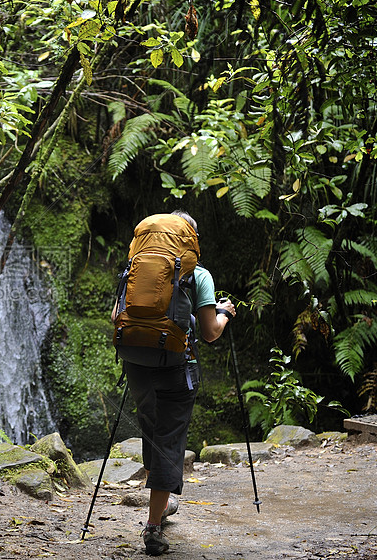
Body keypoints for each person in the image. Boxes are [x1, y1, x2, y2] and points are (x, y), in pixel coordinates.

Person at [110, 210, 236, 556]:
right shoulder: (200, 275)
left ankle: (160, 505)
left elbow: (115, 315)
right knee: (169, 440)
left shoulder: (134, 269)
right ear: (190, 240)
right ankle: (153, 527)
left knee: (151, 427)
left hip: (135, 362)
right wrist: (223, 313)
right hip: (175, 366)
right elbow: (210, 333)